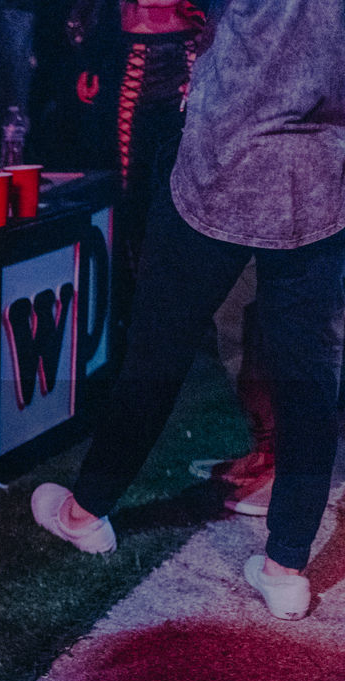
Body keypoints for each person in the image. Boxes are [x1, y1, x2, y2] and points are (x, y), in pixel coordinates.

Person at [32, 0, 345, 622]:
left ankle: (86, 511)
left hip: (223, 164)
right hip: (321, 173)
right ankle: (286, 566)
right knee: (310, 371)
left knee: (158, 346)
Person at [69, 0, 207, 276]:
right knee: (131, 186)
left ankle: (177, 286)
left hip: (188, 55)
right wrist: (89, 61)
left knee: (187, 185)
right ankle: (134, 290)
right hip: (131, 58)